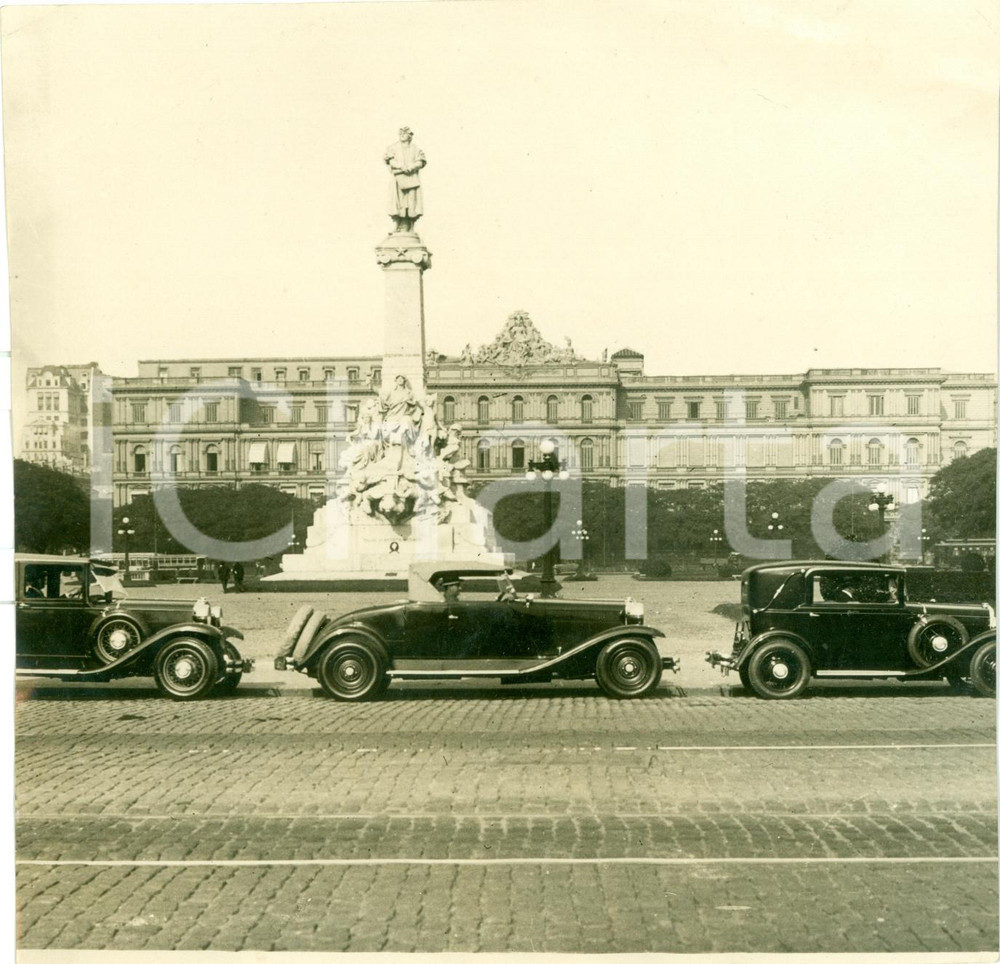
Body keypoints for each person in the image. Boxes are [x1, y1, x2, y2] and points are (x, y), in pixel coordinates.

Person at [384, 127, 426, 233]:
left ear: (410, 136)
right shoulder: (393, 148)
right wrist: (402, 167)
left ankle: (410, 226)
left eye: (405, 133)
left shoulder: (415, 149)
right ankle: (398, 224)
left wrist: (411, 167)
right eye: (401, 133)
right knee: (398, 202)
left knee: (411, 202)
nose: (402, 134)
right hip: (398, 179)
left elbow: (421, 162)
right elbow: (391, 161)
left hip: (411, 179)